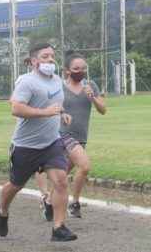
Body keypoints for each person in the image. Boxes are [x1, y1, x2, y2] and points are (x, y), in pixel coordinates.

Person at [0, 43, 78, 242]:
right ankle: (3, 211)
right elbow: (16, 108)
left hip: (51, 143)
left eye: (52, 56)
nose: (50, 60)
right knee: (15, 185)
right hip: (25, 146)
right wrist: (45, 113)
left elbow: (56, 104)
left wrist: (63, 113)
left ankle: (58, 227)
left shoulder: (57, 80)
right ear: (34, 61)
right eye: (45, 56)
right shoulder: (26, 81)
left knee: (61, 181)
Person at [35, 53, 107, 219]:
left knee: (62, 174)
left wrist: (93, 97)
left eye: (83, 68)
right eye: (76, 68)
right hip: (62, 134)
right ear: (67, 71)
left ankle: (49, 203)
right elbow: (49, 106)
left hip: (81, 136)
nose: (80, 71)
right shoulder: (59, 86)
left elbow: (103, 110)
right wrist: (61, 114)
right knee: (85, 165)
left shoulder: (91, 85)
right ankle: (74, 203)